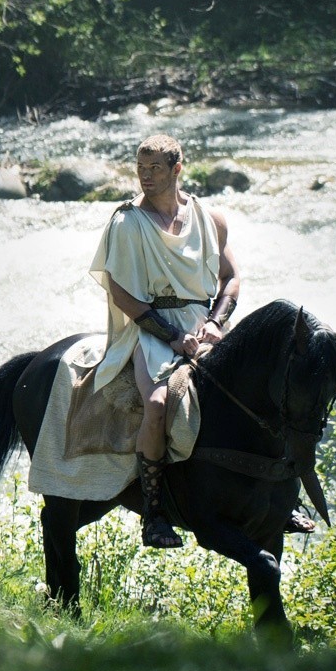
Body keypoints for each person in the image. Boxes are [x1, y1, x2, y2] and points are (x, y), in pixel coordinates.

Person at [88, 134, 240, 549]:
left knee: (255, 387)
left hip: (203, 324)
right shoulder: (127, 222)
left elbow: (231, 279)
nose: (145, 176)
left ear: (177, 169)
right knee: (157, 404)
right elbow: (121, 294)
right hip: (149, 328)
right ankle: (154, 514)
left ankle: (282, 498)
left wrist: (216, 322)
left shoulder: (211, 219)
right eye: (140, 168)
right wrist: (173, 337)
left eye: (155, 168)